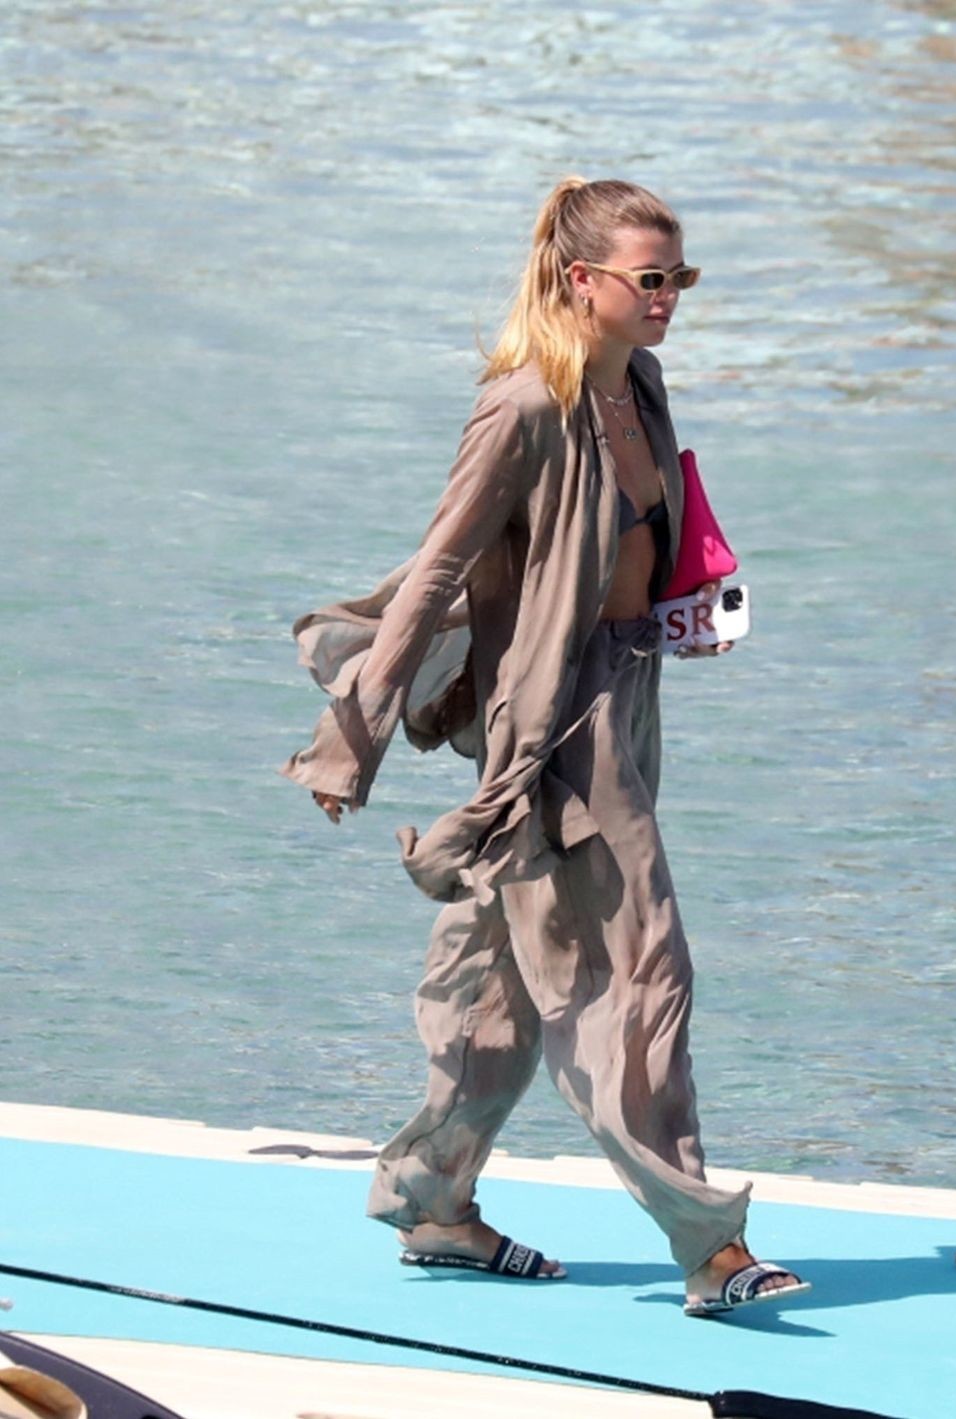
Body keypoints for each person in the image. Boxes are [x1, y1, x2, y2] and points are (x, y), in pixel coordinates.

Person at [279, 176, 808, 1319]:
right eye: (651, 278)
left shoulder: (641, 384)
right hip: (559, 728)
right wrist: (351, 740)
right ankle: (710, 1249)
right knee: (643, 970)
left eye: (682, 277)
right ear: (582, 281)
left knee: (497, 971)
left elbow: (631, 547)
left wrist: (678, 610)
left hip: (630, 687)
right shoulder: (523, 407)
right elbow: (438, 570)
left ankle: (433, 1203)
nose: (671, 297)